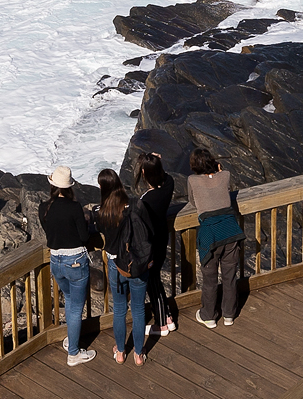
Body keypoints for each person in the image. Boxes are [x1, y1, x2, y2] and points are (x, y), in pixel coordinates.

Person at [38, 166, 101, 366]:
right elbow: (83, 237)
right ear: (70, 187)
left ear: (52, 185)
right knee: (75, 308)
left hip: (56, 262)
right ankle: (73, 353)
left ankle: (71, 340)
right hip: (75, 262)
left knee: (70, 301)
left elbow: (50, 232)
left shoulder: (43, 208)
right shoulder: (74, 208)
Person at [186, 147, 245, 327]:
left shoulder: (192, 180)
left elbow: (192, 201)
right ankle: (229, 315)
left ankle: (209, 316)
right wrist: (217, 169)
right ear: (213, 162)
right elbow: (223, 172)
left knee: (210, 279)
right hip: (230, 231)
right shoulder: (224, 175)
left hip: (210, 234)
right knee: (229, 276)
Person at [99, 183, 154, 365]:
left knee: (120, 309)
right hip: (139, 264)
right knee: (138, 309)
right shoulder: (137, 206)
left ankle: (121, 352)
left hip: (118, 265)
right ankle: (139, 354)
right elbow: (150, 232)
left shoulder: (107, 214)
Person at [136, 153, 179, 336]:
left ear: (144, 173)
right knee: (155, 279)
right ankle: (166, 317)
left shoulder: (145, 201)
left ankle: (162, 323)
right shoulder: (168, 185)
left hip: (150, 244)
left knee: (152, 281)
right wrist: (156, 162)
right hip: (162, 238)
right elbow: (166, 176)